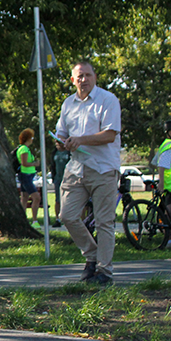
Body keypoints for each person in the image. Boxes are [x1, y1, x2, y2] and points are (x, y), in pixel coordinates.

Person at [55, 60, 121, 286]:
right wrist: (62, 143)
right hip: (76, 168)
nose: (84, 80)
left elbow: (109, 135)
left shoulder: (108, 100)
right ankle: (91, 256)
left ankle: (104, 271)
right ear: (73, 80)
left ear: (95, 78)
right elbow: (61, 133)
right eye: (79, 76)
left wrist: (80, 140)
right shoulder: (68, 104)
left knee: (104, 221)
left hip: (103, 168)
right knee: (67, 215)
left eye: (88, 75)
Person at [16, 128, 41, 227]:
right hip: (25, 175)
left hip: (28, 176)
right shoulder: (24, 149)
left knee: (24, 198)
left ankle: (22, 219)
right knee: (36, 198)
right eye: (32, 137)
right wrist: (35, 163)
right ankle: (34, 220)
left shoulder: (25, 149)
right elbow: (24, 163)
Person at [50, 144, 71, 221]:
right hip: (57, 179)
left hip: (68, 179)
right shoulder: (54, 153)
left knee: (68, 200)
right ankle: (57, 219)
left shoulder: (69, 152)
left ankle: (68, 219)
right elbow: (52, 165)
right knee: (58, 200)